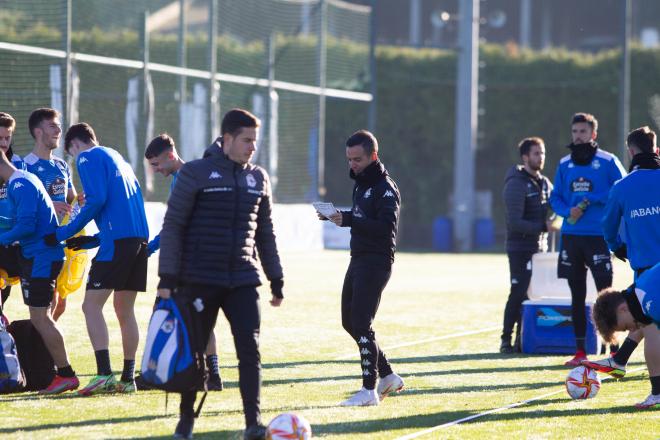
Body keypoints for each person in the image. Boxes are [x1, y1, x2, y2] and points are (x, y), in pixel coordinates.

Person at [157, 109, 284, 440]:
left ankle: (253, 423)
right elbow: (173, 225)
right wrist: (168, 277)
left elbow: (265, 232)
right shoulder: (196, 173)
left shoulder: (259, 177)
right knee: (193, 350)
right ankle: (186, 422)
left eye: (255, 141)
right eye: (246, 140)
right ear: (226, 139)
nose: (252, 147)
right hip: (199, 278)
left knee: (250, 350)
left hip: (243, 278)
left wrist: (276, 277)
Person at [45, 122, 149, 396]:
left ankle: (103, 374)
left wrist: (63, 232)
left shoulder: (87, 156)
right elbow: (123, 206)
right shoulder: (120, 159)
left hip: (117, 242)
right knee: (124, 311)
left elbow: (97, 200)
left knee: (91, 306)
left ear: (75, 146)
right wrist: (94, 239)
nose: (75, 160)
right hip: (137, 240)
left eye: (71, 154)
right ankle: (128, 379)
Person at [323, 129, 404, 407]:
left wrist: (347, 220)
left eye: (357, 159)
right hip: (358, 259)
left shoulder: (385, 188)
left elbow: (385, 229)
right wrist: (339, 217)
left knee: (362, 322)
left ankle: (369, 391)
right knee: (349, 321)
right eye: (349, 159)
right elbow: (359, 218)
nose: (352, 165)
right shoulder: (361, 183)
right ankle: (388, 375)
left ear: (373, 156)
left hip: (376, 261)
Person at [144, 133, 223, 391]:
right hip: (199, 257)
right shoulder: (187, 176)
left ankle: (165, 372)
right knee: (200, 317)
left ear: (170, 155)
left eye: (156, 164)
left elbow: (175, 226)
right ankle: (211, 374)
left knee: (164, 314)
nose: (155, 171)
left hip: (188, 261)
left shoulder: (185, 178)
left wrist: (150, 249)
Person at [582, 126, 660, 379]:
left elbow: (608, 226)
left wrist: (617, 247)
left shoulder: (622, 187)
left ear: (631, 151)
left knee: (651, 326)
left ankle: (655, 390)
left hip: (646, 267)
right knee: (647, 320)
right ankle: (620, 359)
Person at [549, 112, 625, 366]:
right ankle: (580, 351)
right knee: (576, 295)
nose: (578, 136)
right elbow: (555, 197)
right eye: (574, 132)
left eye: (582, 131)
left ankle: (614, 352)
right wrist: (565, 211)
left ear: (593, 134)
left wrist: (596, 198)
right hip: (571, 238)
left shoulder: (607, 161)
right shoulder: (564, 164)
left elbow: (621, 189)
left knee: (606, 296)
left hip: (598, 237)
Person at [0, 149, 79, 394]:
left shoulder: (20, 183)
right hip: (34, 257)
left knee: (40, 318)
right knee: (40, 317)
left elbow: (26, 226)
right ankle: (60, 373)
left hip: (42, 258)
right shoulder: (21, 181)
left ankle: (66, 374)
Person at [500, 137, 553, 353]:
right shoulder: (515, 184)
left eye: (542, 153)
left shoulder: (545, 183)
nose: (540, 157)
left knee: (533, 295)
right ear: (525, 157)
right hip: (520, 249)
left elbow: (557, 205)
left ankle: (524, 339)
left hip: (540, 250)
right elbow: (515, 222)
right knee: (518, 291)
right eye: (536, 153)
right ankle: (506, 339)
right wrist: (544, 226)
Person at [24, 108, 77, 321]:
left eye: (58, 125)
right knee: (41, 305)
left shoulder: (62, 165)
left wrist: (82, 200)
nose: (59, 130)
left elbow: (71, 198)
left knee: (59, 302)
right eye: (52, 125)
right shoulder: (25, 166)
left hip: (59, 244)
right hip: (37, 246)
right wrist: (48, 205)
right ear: (38, 132)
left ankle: (45, 351)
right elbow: (20, 205)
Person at [592, 263, 660, 409]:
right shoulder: (639, 291)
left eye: (626, 327)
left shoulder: (652, 304)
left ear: (622, 309)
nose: (633, 329)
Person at [0, 112, 25, 318]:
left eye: (7, 137)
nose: (4, 142)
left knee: (4, 294)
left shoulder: (19, 163)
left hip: (10, 241)